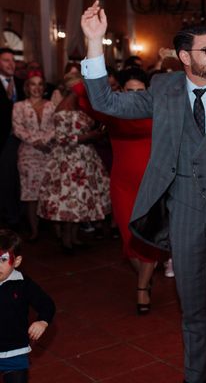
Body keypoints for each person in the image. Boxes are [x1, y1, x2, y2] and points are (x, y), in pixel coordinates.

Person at [80, 0, 206, 382]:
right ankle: (194, 376)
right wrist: (95, 42)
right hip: (183, 211)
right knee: (193, 307)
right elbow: (104, 101)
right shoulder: (163, 89)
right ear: (185, 56)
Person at [72, 67, 163, 314]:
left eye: (140, 92)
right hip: (122, 185)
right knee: (128, 240)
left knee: (150, 239)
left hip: (152, 186)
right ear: (120, 92)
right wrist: (97, 77)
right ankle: (145, 278)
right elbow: (81, 93)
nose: (134, 97)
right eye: (129, 91)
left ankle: (142, 288)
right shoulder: (112, 114)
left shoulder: (159, 112)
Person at [37, 75, 111, 254]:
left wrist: (96, 133)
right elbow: (61, 139)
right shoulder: (62, 109)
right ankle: (66, 240)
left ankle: (74, 238)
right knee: (69, 200)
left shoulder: (80, 106)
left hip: (85, 158)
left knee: (80, 200)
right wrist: (88, 136)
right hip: (68, 161)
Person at [0, 229, 55, 383]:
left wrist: (43, 321)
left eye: (3, 259)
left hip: (15, 351)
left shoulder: (23, 284)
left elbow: (47, 304)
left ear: (16, 261)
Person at [11, 71, 56, 241]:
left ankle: (51, 228)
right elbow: (17, 128)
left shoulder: (52, 105)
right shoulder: (19, 106)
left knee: (49, 190)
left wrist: (44, 141)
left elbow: (55, 126)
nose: (36, 88)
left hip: (48, 152)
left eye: (39, 84)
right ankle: (34, 230)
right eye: (32, 84)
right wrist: (36, 141)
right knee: (30, 194)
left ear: (44, 88)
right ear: (27, 87)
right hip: (28, 154)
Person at [0, 48, 25, 230]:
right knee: (7, 179)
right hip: (5, 140)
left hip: (24, 139)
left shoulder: (22, 84)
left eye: (12, 60)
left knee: (22, 178)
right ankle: (11, 217)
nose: (11, 64)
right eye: (5, 60)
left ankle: (24, 215)